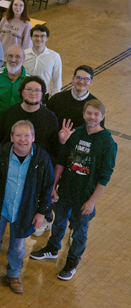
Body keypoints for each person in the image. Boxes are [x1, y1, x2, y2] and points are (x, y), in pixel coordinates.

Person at [30, 100, 117, 280]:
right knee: (59, 221)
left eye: (96, 114)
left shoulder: (107, 142)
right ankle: (53, 248)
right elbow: (62, 162)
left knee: (79, 231)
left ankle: (72, 261)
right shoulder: (75, 134)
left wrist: (92, 201)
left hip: (85, 196)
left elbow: (105, 177)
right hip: (66, 191)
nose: (92, 117)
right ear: (84, 114)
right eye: (89, 113)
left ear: (102, 116)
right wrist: (54, 186)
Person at [0, 121, 54, 294]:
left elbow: (48, 187)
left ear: (33, 138)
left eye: (26, 135)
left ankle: (13, 274)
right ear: (11, 138)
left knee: (18, 246)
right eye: (18, 135)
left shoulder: (42, 159)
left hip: (24, 210)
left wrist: (42, 212)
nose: (22, 139)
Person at [0, 76, 60, 158]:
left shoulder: (50, 118)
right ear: (22, 92)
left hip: (39, 162)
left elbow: (53, 149)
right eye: (29, 89)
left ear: (42, 94)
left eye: (37, 90)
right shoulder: (8, 113)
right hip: (9, 160)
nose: (33, 93)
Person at [23, 24, 62, 97]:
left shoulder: (55, 57)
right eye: (36, 36)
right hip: (25, 93)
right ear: (31, 38)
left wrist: (55, 99)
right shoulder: (23, 54)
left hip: (43, 95)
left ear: (47, 38)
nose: (39, 39)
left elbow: (57, 81)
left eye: (42, 36)